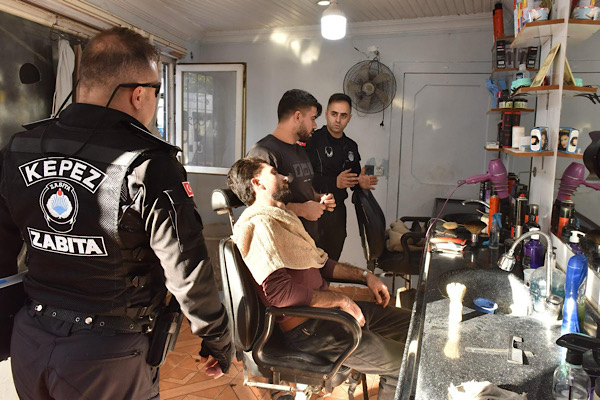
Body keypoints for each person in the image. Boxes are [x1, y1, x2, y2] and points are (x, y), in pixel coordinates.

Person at [0, 27, 232, 400]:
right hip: (107, 357)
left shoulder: (20, 148)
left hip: (31, 342)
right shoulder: (148, 163)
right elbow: (186, 269)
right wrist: (217, 336)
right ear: (139, 94)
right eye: (157, 92)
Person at [226, 157, 411, 400]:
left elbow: (320, 263)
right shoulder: (259, 226)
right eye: (274, 173)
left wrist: (366, 276)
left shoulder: (280, 219)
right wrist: (342, 301)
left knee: (413, 325)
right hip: (310, 330)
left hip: (330, 316)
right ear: (257, 183)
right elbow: (280, 295)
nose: (285, 177)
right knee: (405, 364)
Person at [247, 89, 335, 241]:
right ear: (298, 116)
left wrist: (319, 198)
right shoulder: (263, 152)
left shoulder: (300, 150)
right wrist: (302, 210)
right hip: (283, 244)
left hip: (307, 241)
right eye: (312, 118)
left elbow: (303, 188)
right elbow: (256, 205)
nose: (315, 125)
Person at [305, 93, 378, 260]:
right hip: (313, 209)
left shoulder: (351, 146)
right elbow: (302, 179)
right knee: (311, 264)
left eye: (343, 115)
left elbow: (354, 179)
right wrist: (334, 182)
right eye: (334, 114)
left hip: (337, 213)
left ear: (349, 118)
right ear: (326, 114)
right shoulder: (312, 140)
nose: (338, 120)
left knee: (332, 262)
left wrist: (361, 182)